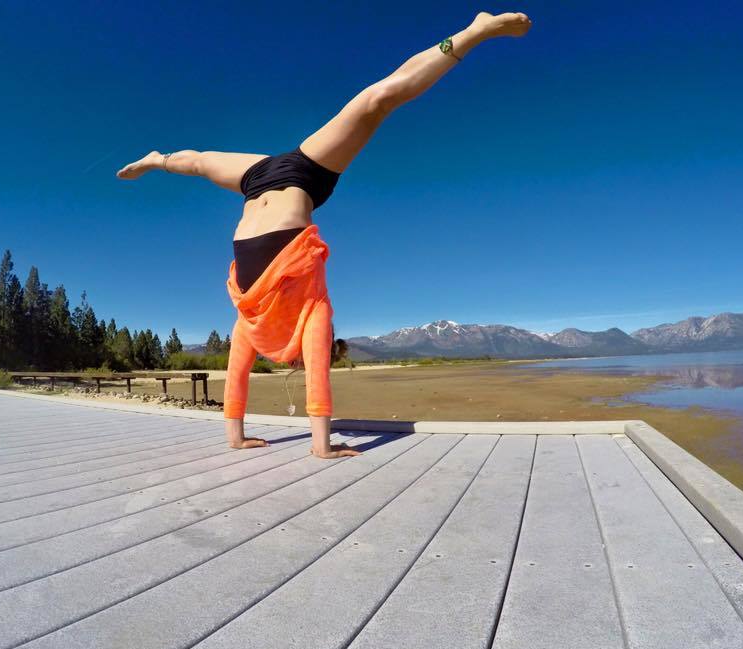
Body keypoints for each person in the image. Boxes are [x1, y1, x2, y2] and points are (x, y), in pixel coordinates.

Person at [117, 11, 533, 458]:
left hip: (257, 180)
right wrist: (321, 446)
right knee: (376, 100)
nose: (305, 355)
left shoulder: (250, 322)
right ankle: (473, 31)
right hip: (305, 174)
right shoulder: (312, 309)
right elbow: (315, 375)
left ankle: (159, 159)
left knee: (199, 162)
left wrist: (238, 439)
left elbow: (236, 373)